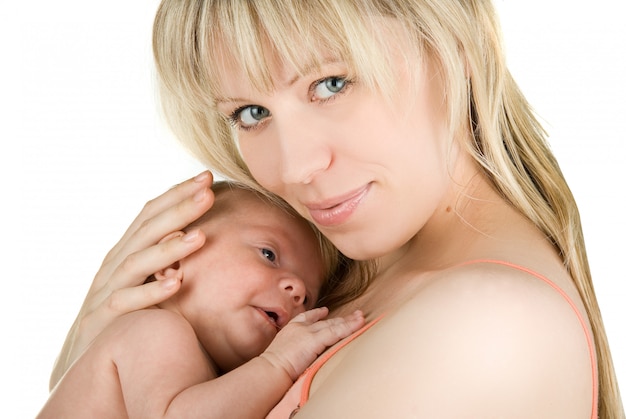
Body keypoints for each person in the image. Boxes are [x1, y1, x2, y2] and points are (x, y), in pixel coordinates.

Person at [50, 0, 624, 417]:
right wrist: (96, 355)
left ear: (453, 47)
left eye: (331, 83)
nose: (294, 167)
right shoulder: (336, 284)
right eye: (251, 113)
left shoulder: (489, 324)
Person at [39, 180, 365, 418]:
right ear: (172, 260)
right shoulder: (153, 329)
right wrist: (277, 364)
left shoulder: (212, 376)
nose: (297, 289)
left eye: (309, 297)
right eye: (268, 254)